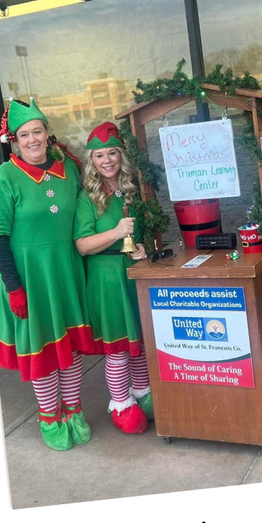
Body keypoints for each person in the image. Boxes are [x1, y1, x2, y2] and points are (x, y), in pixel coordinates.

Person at [0, 98, 94, 450]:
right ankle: (50, 415)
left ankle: (73, 410)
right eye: (24, 134)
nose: (32, 139)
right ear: (13, 141)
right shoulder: (5, 177)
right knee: (44, 351)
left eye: (37, 131)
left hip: (65, 274)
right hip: (29, 280)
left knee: (70, 349)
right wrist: (13, 287)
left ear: (48, 134)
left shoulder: (69, 171)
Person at [74, 122, 152, 435]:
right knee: (118, 347)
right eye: (99, 156)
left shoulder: (130, 190)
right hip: (106, 280)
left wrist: (139, 247)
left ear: (121, 156)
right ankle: (120, 402)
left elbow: (137, 234)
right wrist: (117, 233)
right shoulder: (87, 199)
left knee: (139, 343)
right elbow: (81, 244)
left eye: (112, 153)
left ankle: (143, 393)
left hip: (131, 276)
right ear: (91, 161)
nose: (107, 161)